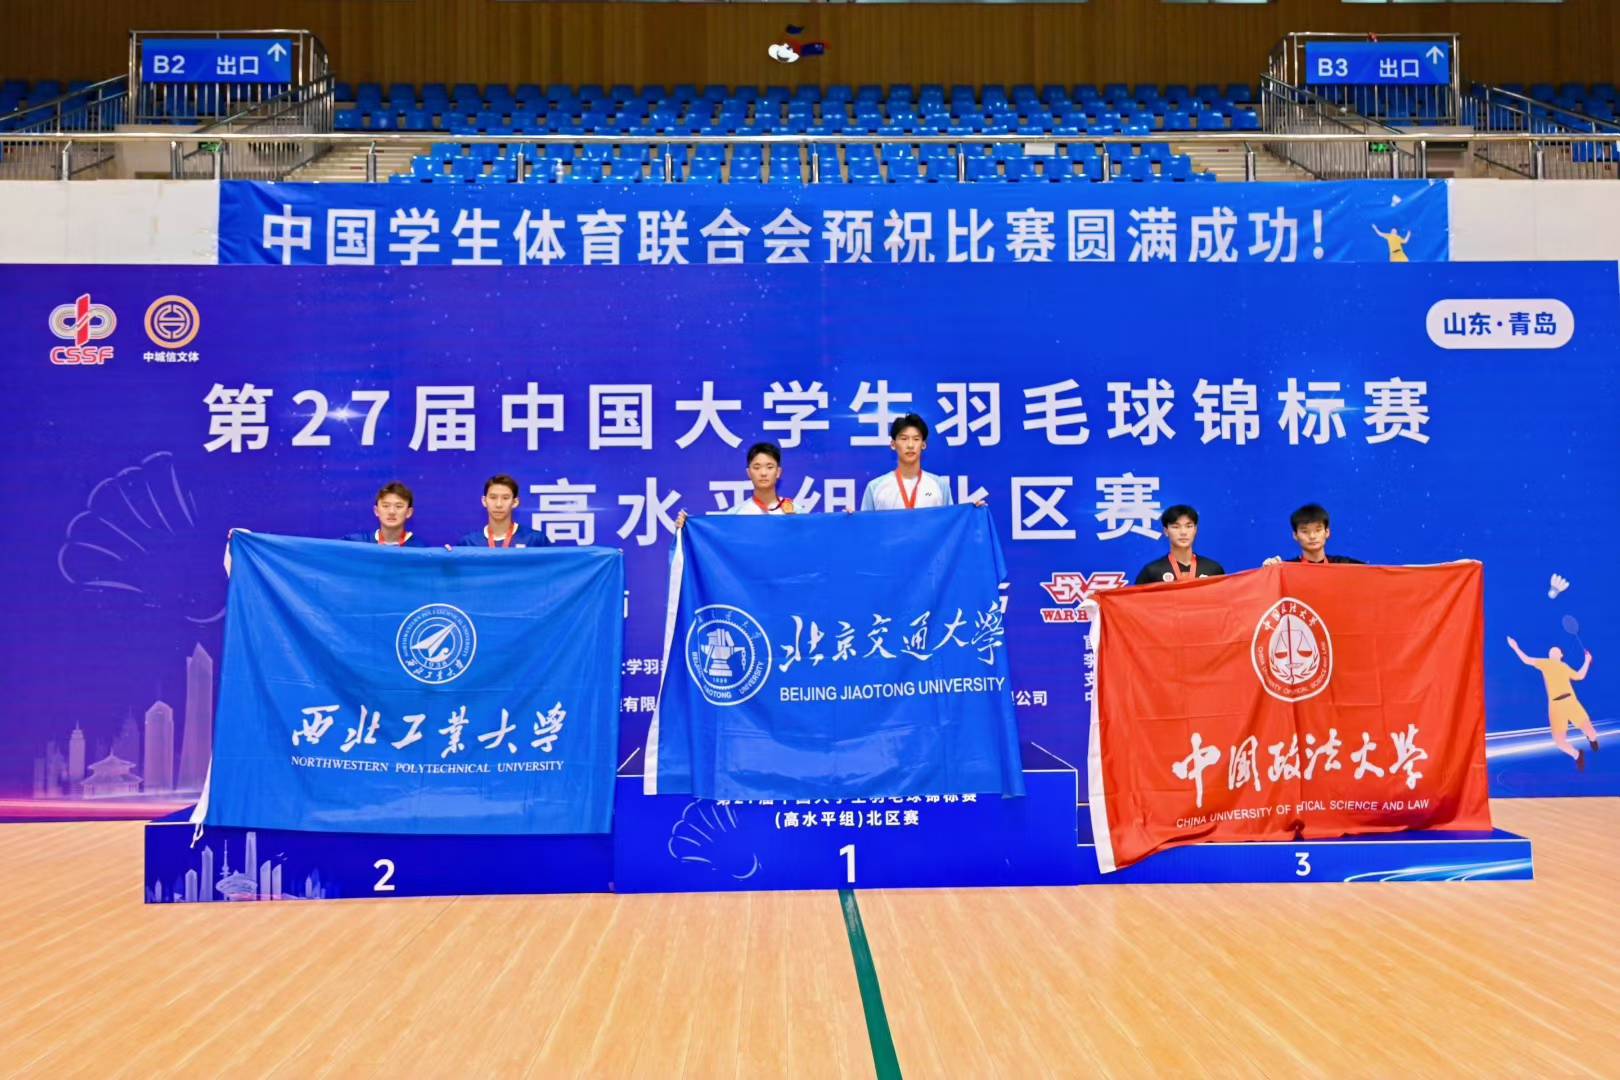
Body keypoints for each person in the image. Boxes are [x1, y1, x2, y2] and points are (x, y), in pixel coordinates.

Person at [1507, 637, 1599, 771]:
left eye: (1556, 651)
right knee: (1559, 742)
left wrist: (1587, 660)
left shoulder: (1565, 667)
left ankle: (1592, 739)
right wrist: (1515, 647)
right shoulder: (1545, 663)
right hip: (1555, 707)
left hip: (1571, 702)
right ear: (1549, 656)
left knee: (1592, 733)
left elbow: (1580, 676)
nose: (1553, 651)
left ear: (1561, 656)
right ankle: (1577, 755)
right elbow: (1526, 660)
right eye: (1551, 651)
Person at [676, 441, 796, 528]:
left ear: (778, 472)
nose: (763, 473)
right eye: (757, 467)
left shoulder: (795, 512)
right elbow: (713, 540)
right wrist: (687, 527)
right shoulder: (736, 515)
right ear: (748, 473)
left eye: (769, 467)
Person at [859, 414, 954, 512]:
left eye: (916, 439)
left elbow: (952, 520)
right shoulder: (875, 487)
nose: (910, 445)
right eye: (904, 439)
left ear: (923, 445)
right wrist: (850, 518)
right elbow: (865, 521)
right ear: (893, 444)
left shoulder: (940, 486)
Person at [1134, 505, 1225, 585]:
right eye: (1176, 527)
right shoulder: (1152, 572)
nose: (1183, 532)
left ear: (1195, 530)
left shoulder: (1213, 570)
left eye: (1189, 526)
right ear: (1166, 531)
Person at [455, 475, 545, 548]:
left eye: (505, 498)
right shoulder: (469, 543)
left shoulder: (534, 540)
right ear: (484, 501)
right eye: (493, 497)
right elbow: (456, 564)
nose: (498, 504)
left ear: (515, 502)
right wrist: (448, 557)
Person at [1265, 504, 1365, 566]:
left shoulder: (1345, 565)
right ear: (1295, 535)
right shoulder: (1286, 568)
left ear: (1327, 532)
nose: (1312, 536)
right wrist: (1269, 571)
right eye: (1305, 531)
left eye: (1318, 530)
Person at [341, 482, 421, 546]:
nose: (391, 512)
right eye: (385, 506)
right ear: (376, 511)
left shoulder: (419, 550)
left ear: (409, 512)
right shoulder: (357, 544)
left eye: (399, 506)